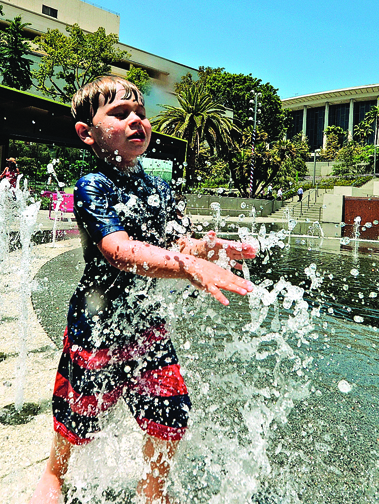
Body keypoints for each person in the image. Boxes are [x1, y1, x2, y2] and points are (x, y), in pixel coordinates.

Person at [29, 76, 256, 504]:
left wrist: (209, 247)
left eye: (141, 113)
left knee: (170, 409)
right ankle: (54, 473)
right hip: (95, 324)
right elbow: (119, 250)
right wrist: (189, 264)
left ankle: (153, 489)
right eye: (118, 114)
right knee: (78, 412)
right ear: (87, 134)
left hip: (146, 323)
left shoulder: (160, 188)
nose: (136, 120)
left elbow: (179, 242)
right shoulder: (93, 186)